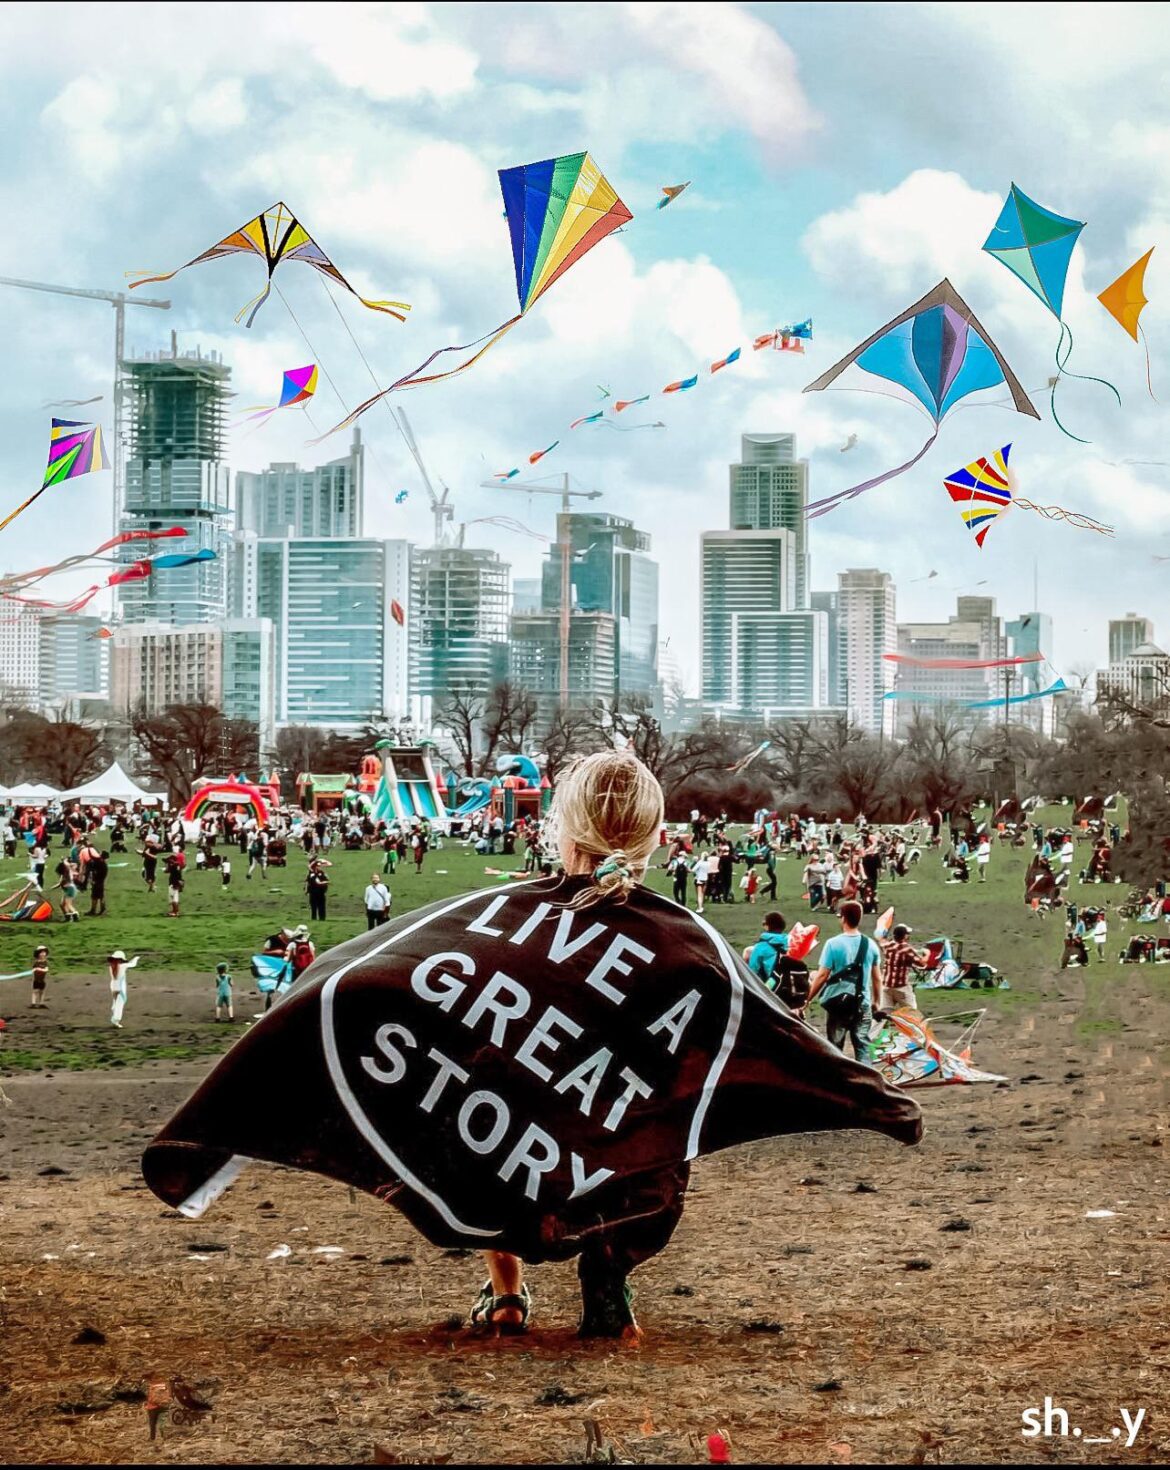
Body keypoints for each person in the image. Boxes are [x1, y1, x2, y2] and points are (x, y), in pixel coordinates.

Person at [143, 749, 923, 1346]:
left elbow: (392, 965)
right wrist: (873, 1096)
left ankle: (507, 1288)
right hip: (611, 1152)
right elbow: (769, 1033)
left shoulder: (498, 915)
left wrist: (304, 1019)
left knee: (479, 1102)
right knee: (658, 1117)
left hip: (507, 1136)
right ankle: (608, 1277)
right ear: (657, 834)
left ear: (562, 825)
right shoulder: (686, 944)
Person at [800, 900, 882, 1063]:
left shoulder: (833, 944)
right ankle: (866, 1083)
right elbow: (877, 978)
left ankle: (838, 1084)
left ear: (843, 918)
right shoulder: (871, 945)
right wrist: (876, 1002)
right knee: (863, 1046)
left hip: (838, 1003)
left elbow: (822, 976)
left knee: (835, 1048)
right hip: (862, 1002)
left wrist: (807, 999)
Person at [878, 924, 929, 1013]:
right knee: (912, 1013)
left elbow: (882, 941)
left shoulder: (887, 946)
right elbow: (922, 964)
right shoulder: (907, 949)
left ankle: (874, 1026)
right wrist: (928, 954)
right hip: (901, 987)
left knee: (883, 1013)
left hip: (886, 986)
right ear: (905, 936)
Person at [746, 912, 789, 989]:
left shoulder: (761, 947)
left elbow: (753, 970)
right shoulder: (790, 942)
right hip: (790, 984)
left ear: (767, 926)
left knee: (748, 951)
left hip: (771, 985)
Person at [108, 949, 139, 1028]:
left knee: (117, 1000)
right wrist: (136, 958)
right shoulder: (123, 966)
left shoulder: (111, 966)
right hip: (120, 986)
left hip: (113, 985)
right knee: (121, 1001)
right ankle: (115, 1020)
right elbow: (133, 964)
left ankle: (114, 1009)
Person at [53, 856, 80, 923]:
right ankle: (67, 917)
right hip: (69, 889)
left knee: (68, 904)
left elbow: (60, 883)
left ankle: (75, 914)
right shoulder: (66, 873)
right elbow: (59, 884)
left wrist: (64, 860)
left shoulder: (66, 873)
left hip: (70, 889)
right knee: (62, 904)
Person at [87, 848, 109, 916]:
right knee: (100, 896)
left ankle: (93, 910)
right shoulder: (104, 864)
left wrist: (89, 850)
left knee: (94, 896)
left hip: (97, 882)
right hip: (100, 882)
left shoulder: (99, 862)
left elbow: (92, 857)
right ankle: (102, 909)